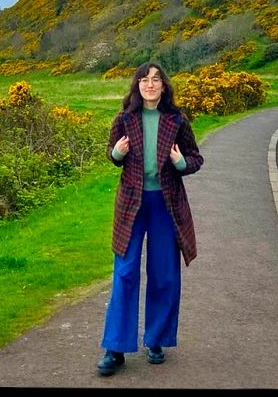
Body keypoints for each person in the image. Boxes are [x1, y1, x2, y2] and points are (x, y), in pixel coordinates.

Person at [97, 62, 203, 376]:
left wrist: (181, 161)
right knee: (125, 272)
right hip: (131, 203)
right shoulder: (125, 118)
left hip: (165, 204)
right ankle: (115, 348)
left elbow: (196, 158)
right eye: (144, 79)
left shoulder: (177, 119)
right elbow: (111, 155)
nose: (150, 84)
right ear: (137, 85)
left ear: (164, 86)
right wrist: (116, 153)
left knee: (164, 273)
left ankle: (155, 339)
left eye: (156, 79)